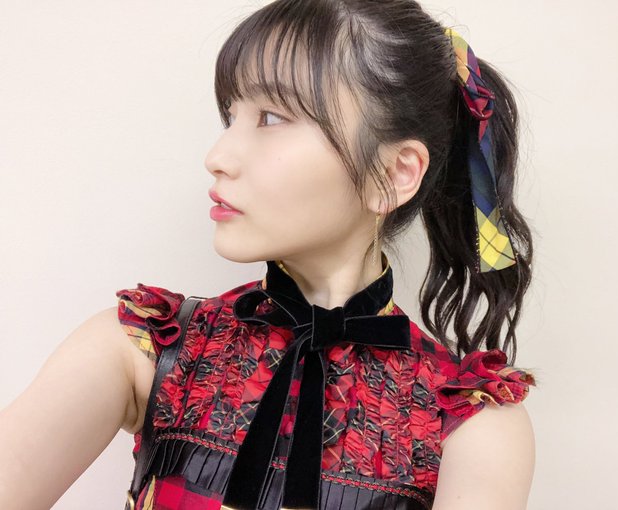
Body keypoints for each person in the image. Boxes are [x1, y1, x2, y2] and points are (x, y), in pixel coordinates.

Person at [0, 0, 539, 508]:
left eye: (272, 118)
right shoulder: (138, 350)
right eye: (230, 116)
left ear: (394, 173)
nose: (218, 156)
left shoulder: (472, 426)